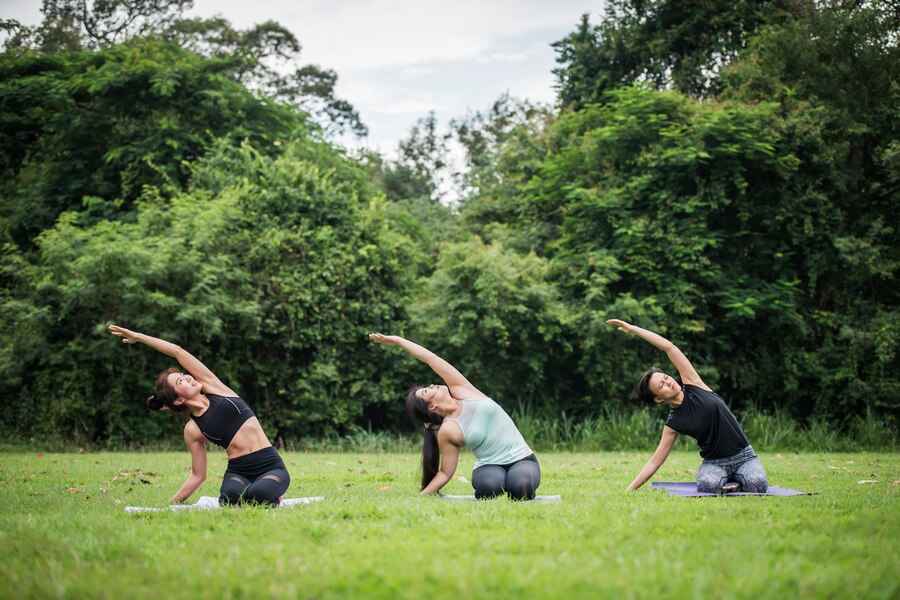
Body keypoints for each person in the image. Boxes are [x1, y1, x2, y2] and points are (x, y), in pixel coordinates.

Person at [108, 324, 289, 506]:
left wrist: (139, 337)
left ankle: (271, 492)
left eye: (183, 374)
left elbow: (178, 352)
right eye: (181, 381)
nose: (187, 376)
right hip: (238, 471)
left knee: (259, 494)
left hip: (269, 465)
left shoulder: (215, 387)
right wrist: (169, 504)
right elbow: (198, 475)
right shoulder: (193, 429)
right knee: (229, 499)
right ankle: (263, 493)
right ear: (178, 400)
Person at [369, 333, 540, 500]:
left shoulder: (462, 390)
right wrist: (423, 495)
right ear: (432, 406)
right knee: (489, 489)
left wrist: (399, 341)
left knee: (520, 487)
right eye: (428, 391)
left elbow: (431, 358)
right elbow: (445, 472)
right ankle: (497, 485)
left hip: (522, 459)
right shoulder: (449, 429)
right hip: (489, 466)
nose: (433, 385)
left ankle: (518, 483)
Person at [607, 319, 768, 494]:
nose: (668, 383)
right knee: (707, 485)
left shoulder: (694, 383)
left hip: (744, 456)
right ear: (658, 399)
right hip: (715, 462)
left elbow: (669, 347)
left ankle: (735, 480)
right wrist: (629, 489)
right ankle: (729, 481)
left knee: (757, 484)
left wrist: (633, 329)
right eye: (661, 386)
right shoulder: (674, 423)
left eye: (666, 378)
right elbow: (655, 461)